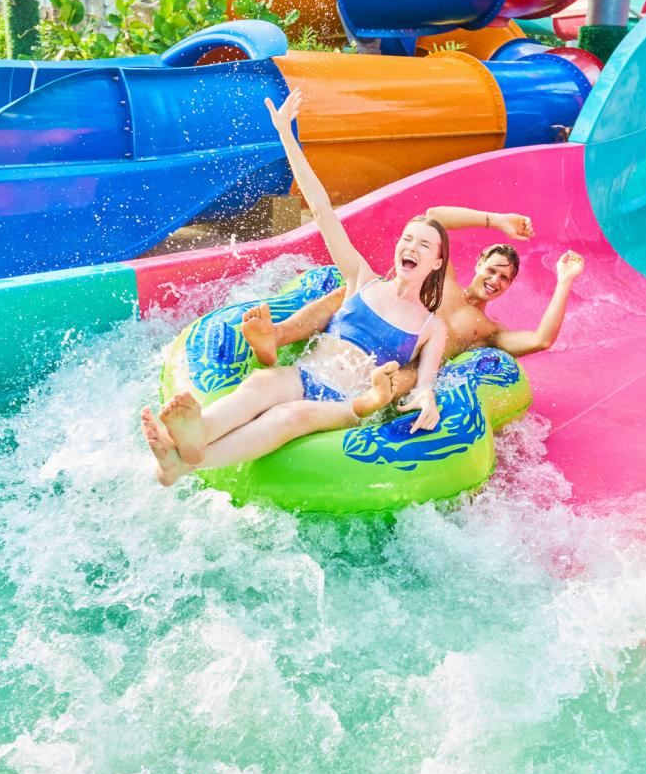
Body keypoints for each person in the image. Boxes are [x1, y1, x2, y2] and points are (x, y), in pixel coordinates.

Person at [141, 88, 449, 485]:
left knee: (291, 415)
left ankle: (188, 460)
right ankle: (192, 441)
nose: (410, 247)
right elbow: (322, 211)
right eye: (407, 239)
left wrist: (425, 399)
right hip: (304, 374)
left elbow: (426, 382)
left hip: (346, 401)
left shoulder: (430, 327)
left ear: (436, 262)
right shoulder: (362, 279)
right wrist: (286, 133)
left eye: (423, 245)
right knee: (262, 382)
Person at [240, 207, 586, 426]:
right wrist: (496, 221)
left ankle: (357, 412)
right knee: (348, 296)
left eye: (504, 279)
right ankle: (276, 336)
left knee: (402, 378)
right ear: (478, 263)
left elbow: (542, 339)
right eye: (492, 270)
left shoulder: (488, 330)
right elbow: (434, 217)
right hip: (378, 333)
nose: (495, 281)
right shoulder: (444, 277)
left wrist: (565, 281)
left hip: (407, 366)